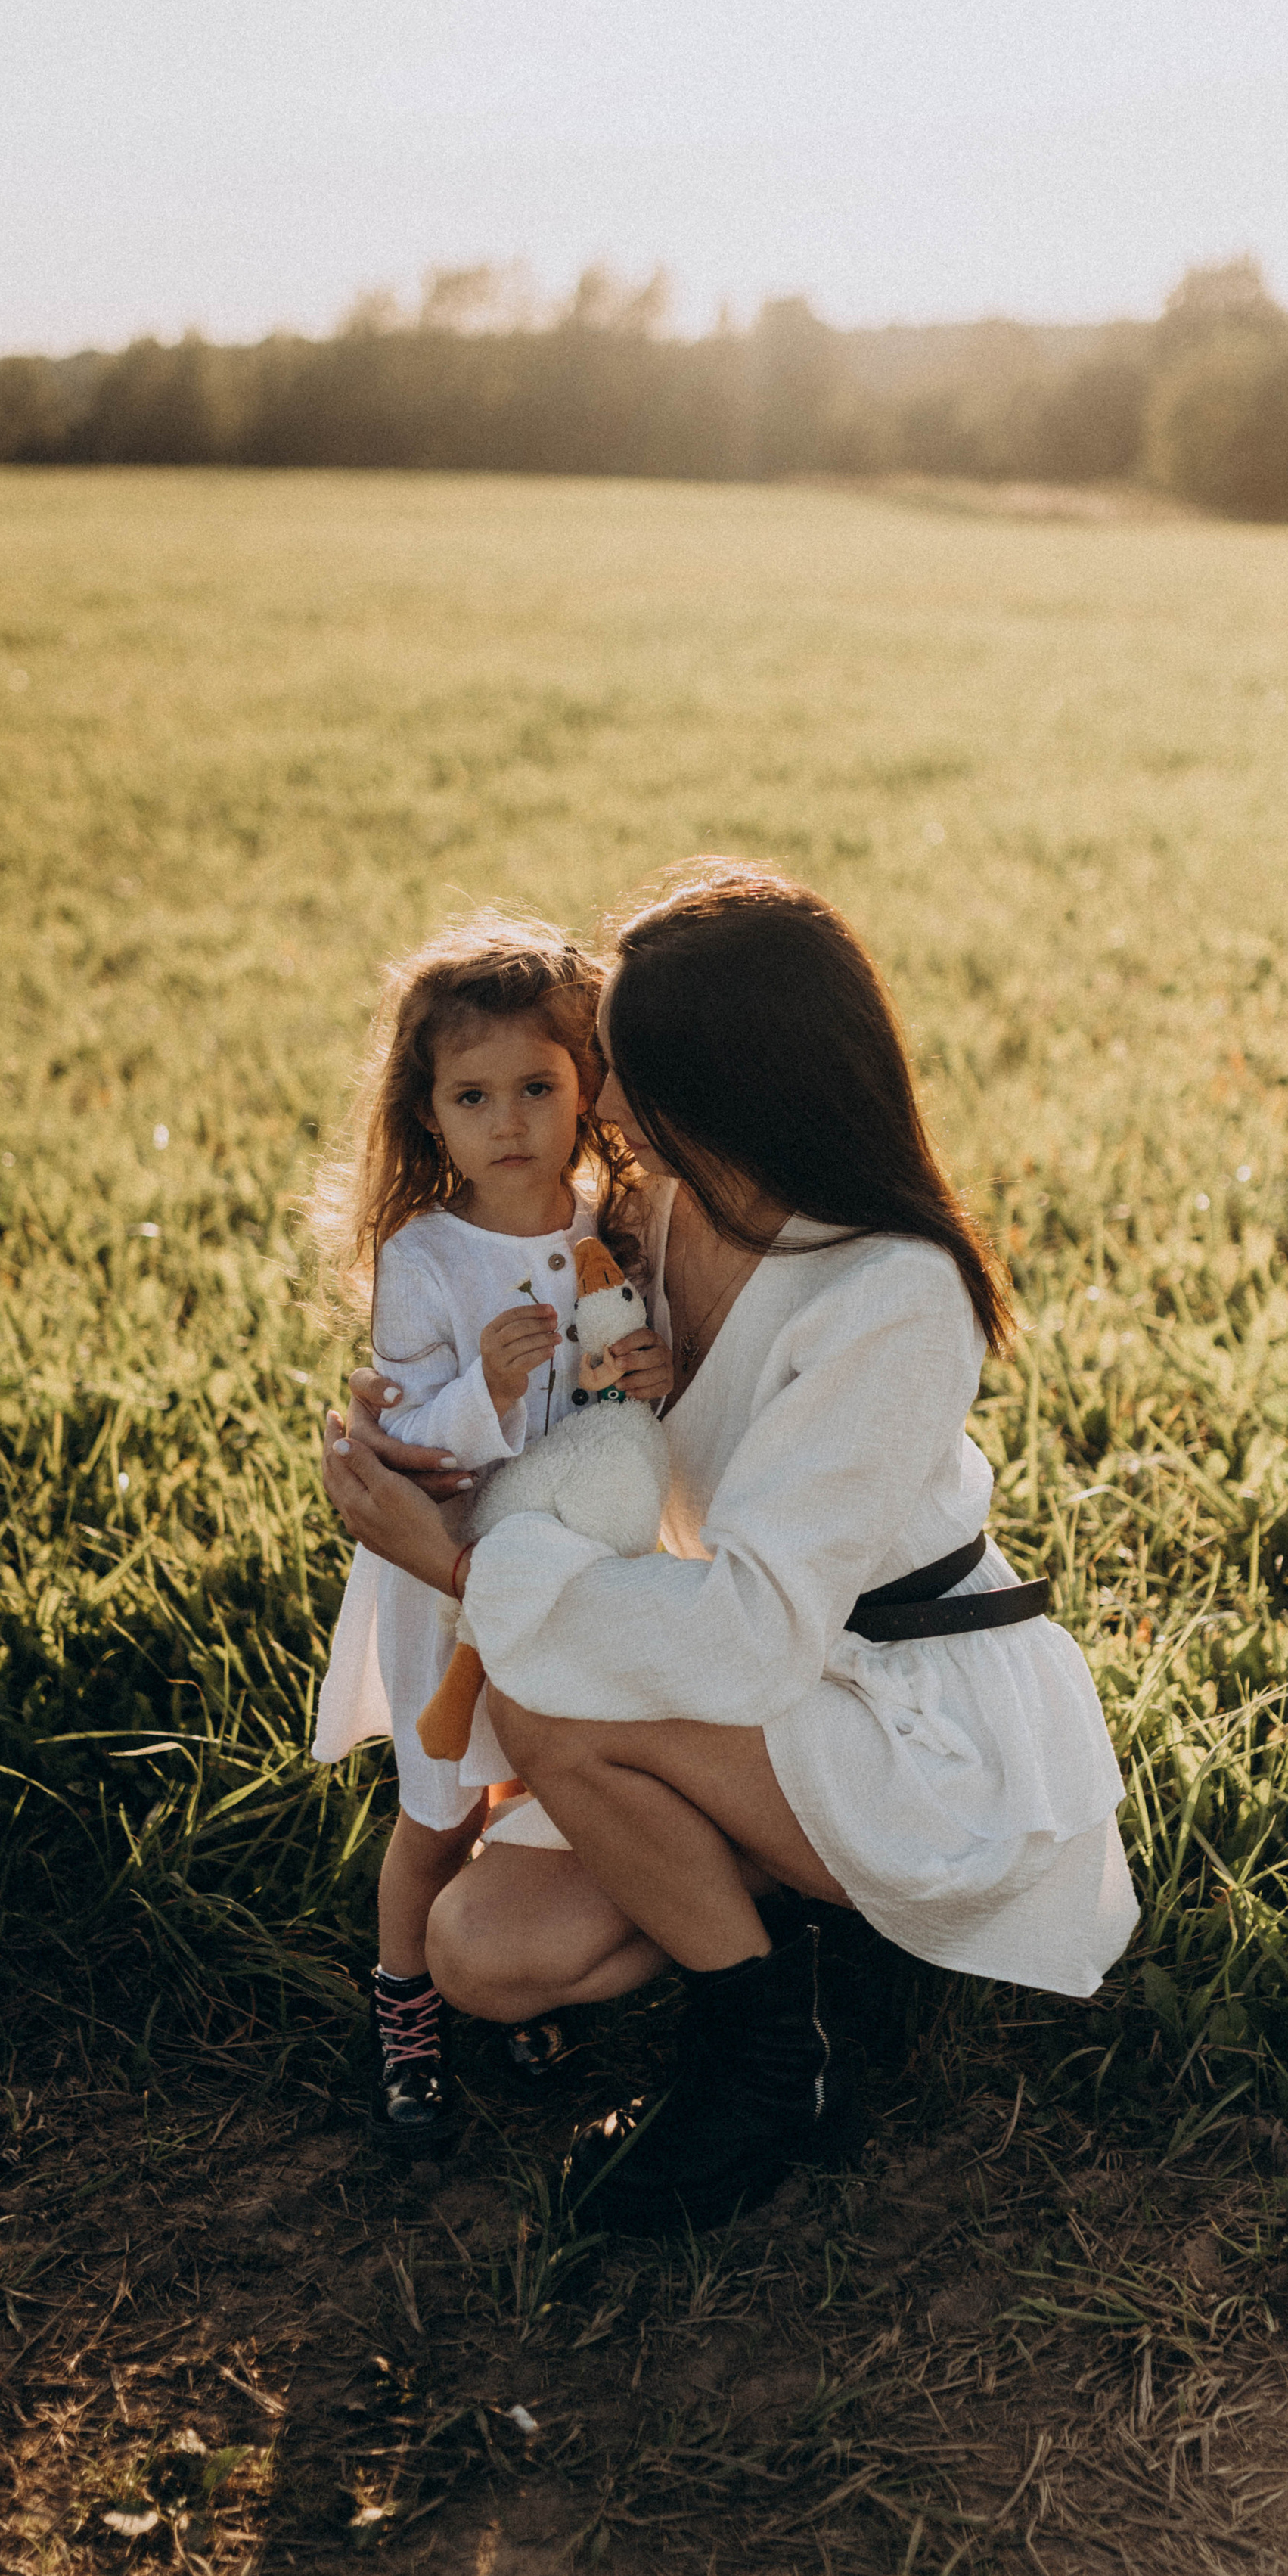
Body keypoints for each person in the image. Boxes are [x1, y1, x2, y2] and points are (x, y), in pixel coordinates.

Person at [321, 866, 1137, 2231]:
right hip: (740, 1676)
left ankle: (765, 2063)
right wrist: (421, 1441)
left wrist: (460, 1570)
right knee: (478, 1952)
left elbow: (761, 1627)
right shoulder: (657, 1219)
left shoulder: (892, 1290)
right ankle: (782, 1900)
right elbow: (568, 1430)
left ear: (729, 1080)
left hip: (902, 1712)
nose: (601, 1101)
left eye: (620, 1069)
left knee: (546, 1694)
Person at [309, 915, 672, 2151]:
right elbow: (409, 1439)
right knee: (439, 1805)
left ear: (584, 1093)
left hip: (562, 1573)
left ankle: (508, 1970)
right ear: (431, 1116)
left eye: (536, 1086)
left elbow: (615, 1417)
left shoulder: (601, 1229)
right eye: (474, 1095)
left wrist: (638, 1379)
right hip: (445, 1577)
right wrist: (490, 1388)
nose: (508, 1119)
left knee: (530, 1776)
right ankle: (406, 2005)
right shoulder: (428, 1256)